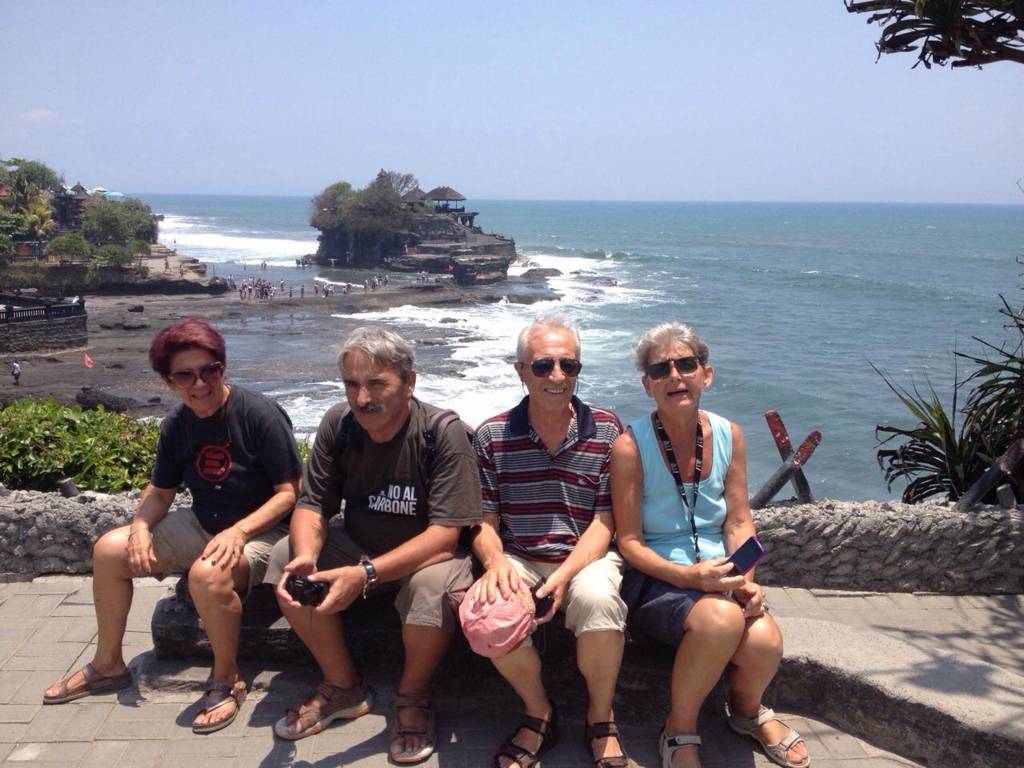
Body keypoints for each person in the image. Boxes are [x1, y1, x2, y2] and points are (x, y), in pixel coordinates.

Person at [42, 318, 302, 735]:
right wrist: (140, 528)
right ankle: (108, 664)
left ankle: (227, 677)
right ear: (168, 380)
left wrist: (239, 532)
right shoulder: (178, 423)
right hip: (204, 523)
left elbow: (289, 492)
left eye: (209, 370)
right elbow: (161, 491)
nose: (199, 383)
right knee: (109, 551)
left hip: (266, 532)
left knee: (207, 576)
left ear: (222, 367)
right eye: (185, 375)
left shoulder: (259, 414)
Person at [266, 326, 480, 764]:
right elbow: (312, 504)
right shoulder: (340, 424)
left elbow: (445, 536)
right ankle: (343, 686)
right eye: (352, 384)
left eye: (377, 384)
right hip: (360, 544)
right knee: (284, 557)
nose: (362, 398)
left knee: (431, 589)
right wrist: (306, 555)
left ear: (409, 382)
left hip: (426, 556)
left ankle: (412, 698)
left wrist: (365, 574)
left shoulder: (442, 432)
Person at [610, 323, 810, 768]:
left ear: (706, 374)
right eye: (660, 369)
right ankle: (679, 730)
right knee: (721, 621)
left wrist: (745, 580)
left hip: (720, 575)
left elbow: (738, 520)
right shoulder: (630, 447)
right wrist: (688, 577)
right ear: (647, 385)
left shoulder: (728, 435)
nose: (674, 376)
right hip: (657, 579)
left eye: (685, 364)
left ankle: (746, 713)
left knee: (764, 641)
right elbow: (630, 542)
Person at [471, 314, 630, 768]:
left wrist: (562, 578)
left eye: (569, 365)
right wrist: (496, 563)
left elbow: (604, 522)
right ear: (521, 371)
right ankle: (539, 711)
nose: (557, 376)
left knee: (599, 601)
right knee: (484, 615)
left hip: (586, 555)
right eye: (543, 366)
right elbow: (484, 521)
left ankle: (600, 716)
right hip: (519, 555)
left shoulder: (607, 429)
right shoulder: (492, 435)